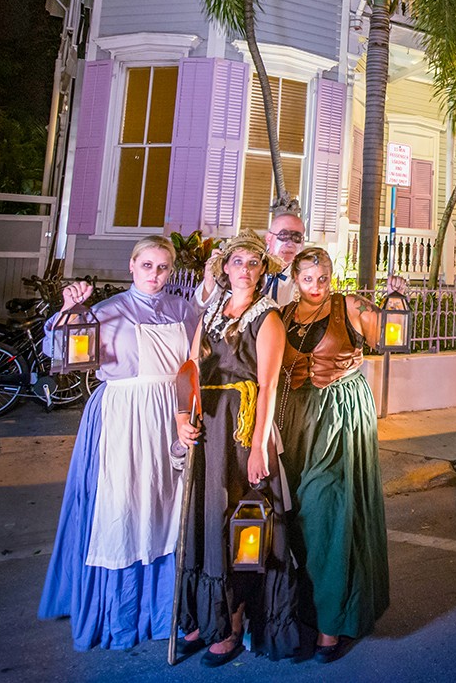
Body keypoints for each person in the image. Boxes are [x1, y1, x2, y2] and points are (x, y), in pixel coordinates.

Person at [38, 235, 198, 651]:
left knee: (167, 506)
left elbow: (199, 362)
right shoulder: (106, 311)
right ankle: (121, 613)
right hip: (124, 417)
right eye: (147, 266)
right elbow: (60, 354)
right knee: (123, 508)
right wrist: (70, 311)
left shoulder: (185, 310)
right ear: (132, 265)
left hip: (172, 415)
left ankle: (167, 609)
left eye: (163, 267)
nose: (155, 275)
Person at [174, 232, 301, 667]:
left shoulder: (268, 318)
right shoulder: (210, 311)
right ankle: (203, 618)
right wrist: (181, 419)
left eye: (253, 263)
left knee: (239, 525)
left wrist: (259, 447)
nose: (245, 269)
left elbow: (266, 387)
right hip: (208, 427)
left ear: (262, 270)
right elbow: (190, 370)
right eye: (237, 261)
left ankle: (232, 621)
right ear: (224, 267)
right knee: (205, 520)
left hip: (241, 431)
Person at [278, 247, 390, 663]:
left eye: (323, 278)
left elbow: (384, 336)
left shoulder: (352, 306)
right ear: (295, 278)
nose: (317, 286)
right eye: (308, 279)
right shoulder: (284, 314)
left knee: (326, 510)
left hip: (339, 416)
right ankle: (298, 610)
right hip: (292, 419)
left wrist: (391, 302)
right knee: (290, 517)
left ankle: (331, 623)